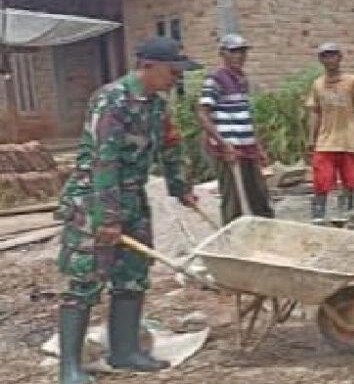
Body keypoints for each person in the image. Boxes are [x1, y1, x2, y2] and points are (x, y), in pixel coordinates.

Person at [55, 37, 200, 384]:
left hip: (133, 199)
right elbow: (105, 160)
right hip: (95, 200)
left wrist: (180, 187)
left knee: (133, 275)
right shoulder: (112, 100)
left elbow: (169, 146)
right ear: (147, 66)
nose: (176, 78)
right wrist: (107, 217)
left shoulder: (155, 105)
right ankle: (70, 368)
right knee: (85, 279)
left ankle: (124, 351)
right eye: (172, 71)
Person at [196, 33, 274, 224]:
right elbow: (202, 113)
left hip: (247, 147)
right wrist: (222, 144)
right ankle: (232, 238)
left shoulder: (241, 80)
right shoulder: (215, 79)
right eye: (234, 52)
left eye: (242, 52)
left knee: (259, 194)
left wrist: (258, 147)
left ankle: (263, 235)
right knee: (233, 200)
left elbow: (245, 117)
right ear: (223, 53)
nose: (239, 56)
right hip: (228, 148)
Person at [305, 42, 354, 223]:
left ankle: (346, 214)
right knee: (321, 181)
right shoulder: (317, 84)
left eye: (333, 55)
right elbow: (315, 112)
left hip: (349, 139)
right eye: (325, 56)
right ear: (320, 60)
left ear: (340, 57)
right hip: (325, 141)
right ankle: (318, 215)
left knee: (350, 181)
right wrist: (311, 138)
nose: (329, 59)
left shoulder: (352, 81)